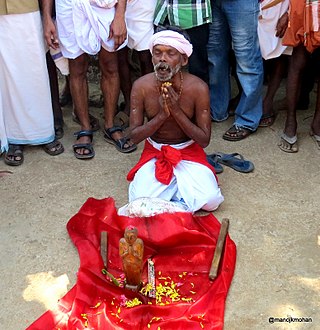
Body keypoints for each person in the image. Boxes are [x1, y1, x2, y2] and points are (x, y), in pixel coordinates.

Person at [126, 28, 224, 213]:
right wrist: (163, 115)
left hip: (188, 151)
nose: (162, 59)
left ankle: (170, 201)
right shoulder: (141, 86)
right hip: (155, 152)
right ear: (152, 58)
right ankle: (181, 201)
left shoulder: (197, 88)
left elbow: (204, 140)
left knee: (211, 200)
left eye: (170, 53)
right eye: (158, 53)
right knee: (139, 200)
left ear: (184, 59)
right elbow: (133, 136)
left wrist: (176, 111)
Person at [45, 0, 136, 159]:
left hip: (106, 4)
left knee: (110, 65)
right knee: (77, 68)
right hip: (69, 5)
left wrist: (120, 14)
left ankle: (109, 125)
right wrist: (47, 17)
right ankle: (85, 127)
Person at [0, 0, 64, 166]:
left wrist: (47, 17)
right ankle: (14, 138)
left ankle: (43, 131)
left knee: (35, 71)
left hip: (28, 9)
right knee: (6, 76)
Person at [207, 0, 264, 141]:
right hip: (212, 2)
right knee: (214, 58)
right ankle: (217, 110)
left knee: (247, 59)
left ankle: (247, 119)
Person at [278, 0, 320, 152]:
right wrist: (287, 12)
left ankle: (317, 123)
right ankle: (290, 122)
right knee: (298, 62)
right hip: (304, 5)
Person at [154, 0, 212, 84]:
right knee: (163, 67)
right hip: (164, 12)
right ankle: (166, 95)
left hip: (193, 15)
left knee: (197, 69)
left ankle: (197, 96)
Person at [117, 0, 156, 122]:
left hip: (144, 5)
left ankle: (148, 102)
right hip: (115, 6)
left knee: (146, 57)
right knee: (120, 55)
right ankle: (130, 103)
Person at [257, 0, 292, 127]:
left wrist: (289, 13)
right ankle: (245, 99)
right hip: (249, 6)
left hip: (279, 6)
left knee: (279, 52)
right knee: (245, 52)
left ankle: (268, 101)